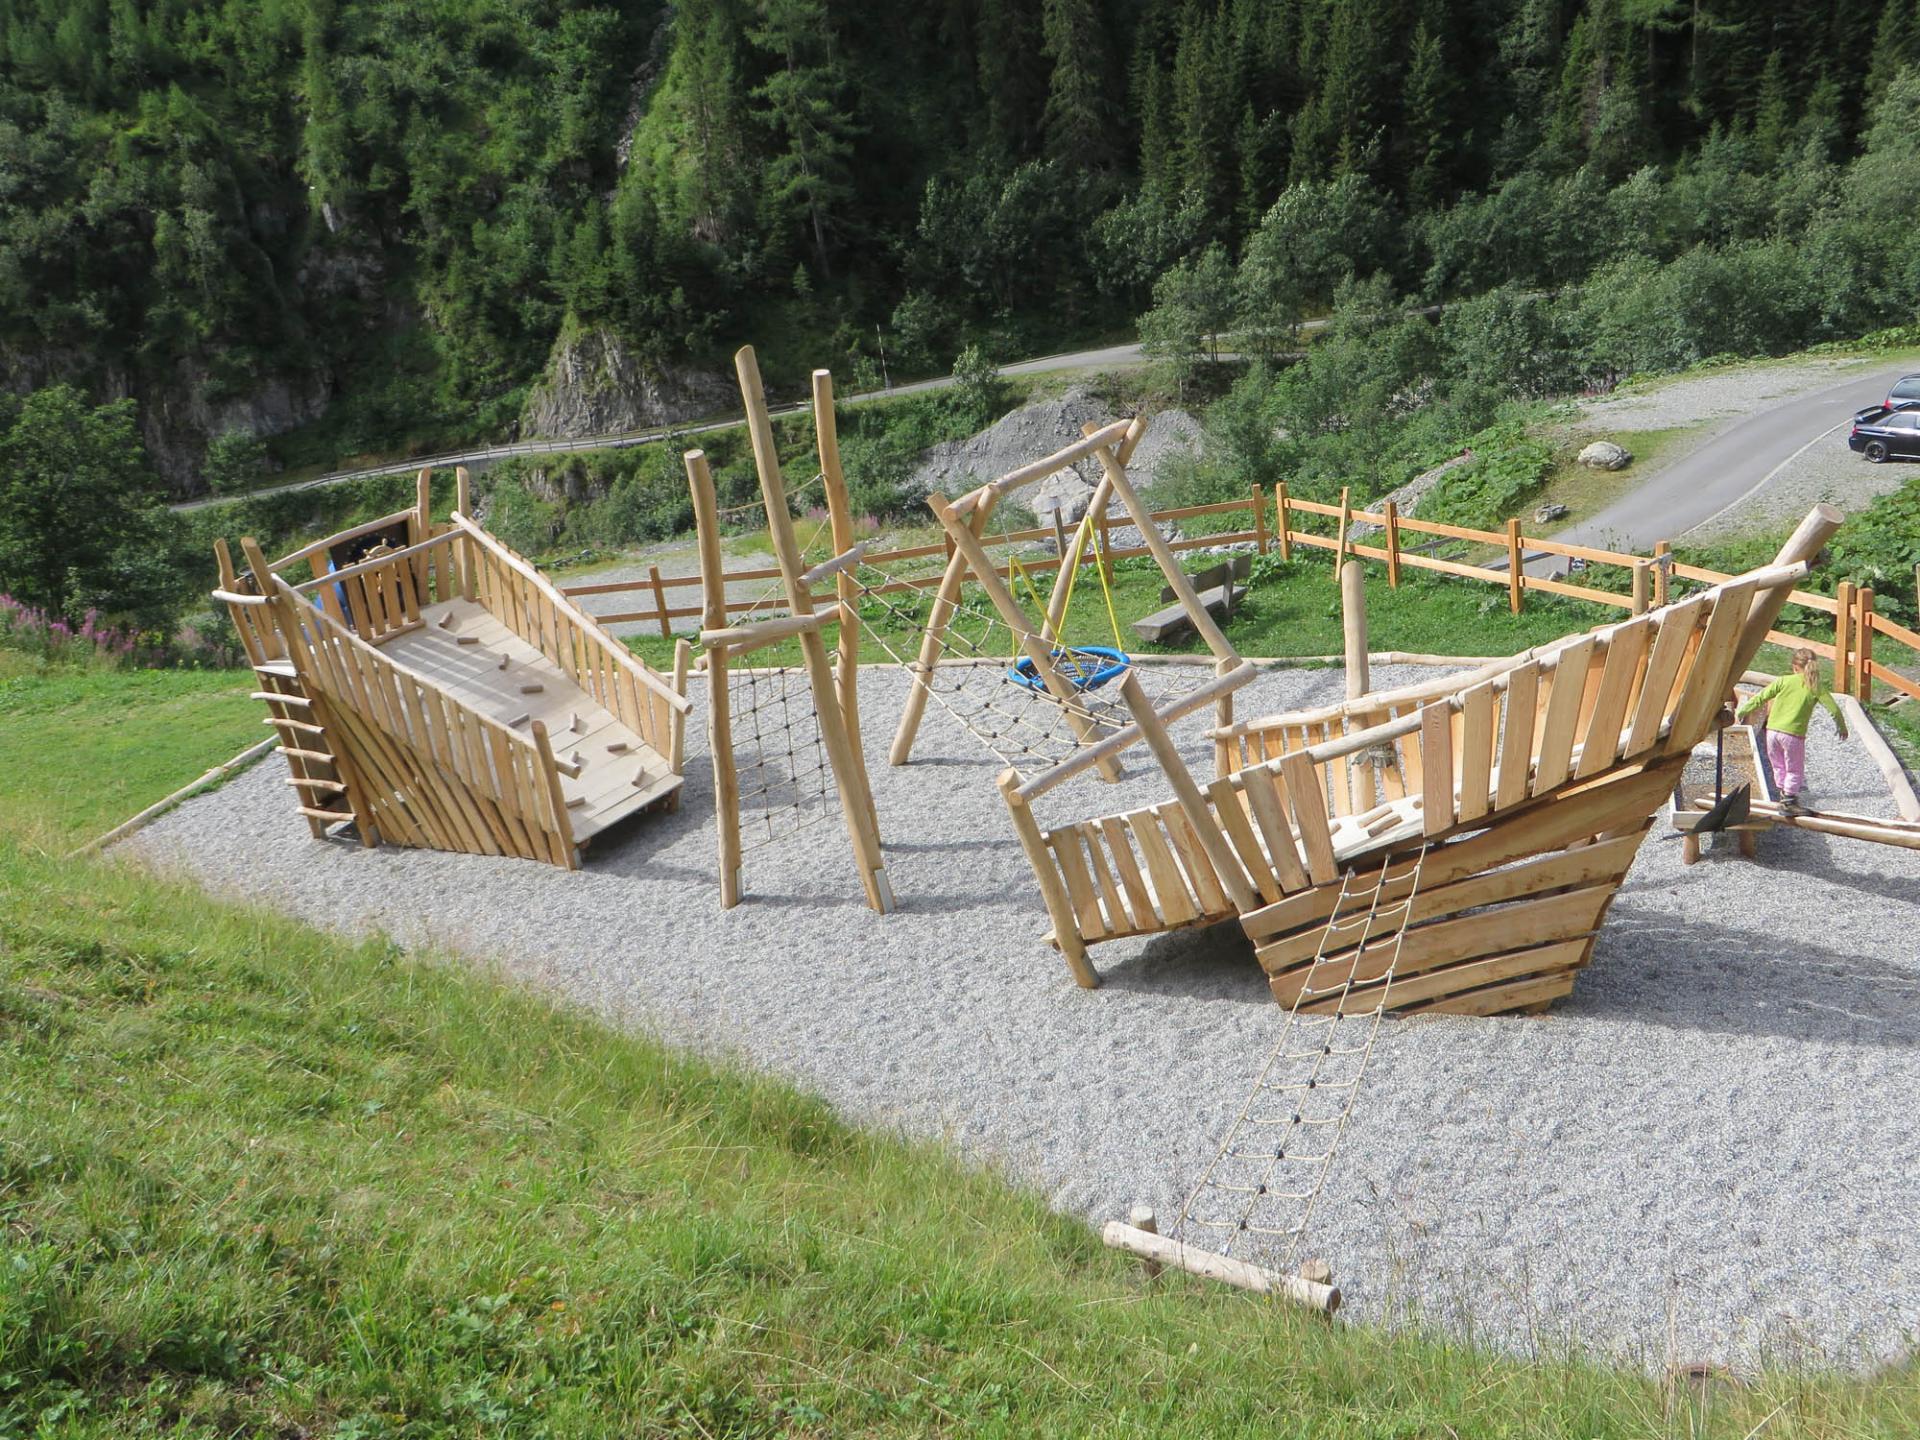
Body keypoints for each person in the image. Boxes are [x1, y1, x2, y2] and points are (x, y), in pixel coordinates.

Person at [1735, 647, 1848, 812]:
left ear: (1794, 667)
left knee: (1778, 765)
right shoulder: (1815, 686)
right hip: (1793, 735)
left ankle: (1783, 795)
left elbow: (1760, 697)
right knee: (1794, 768)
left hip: (1772, 732)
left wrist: (1741, 711)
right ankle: (1789, 801)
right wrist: (1842, 727)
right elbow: (1834, 710)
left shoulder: (1783, 681)